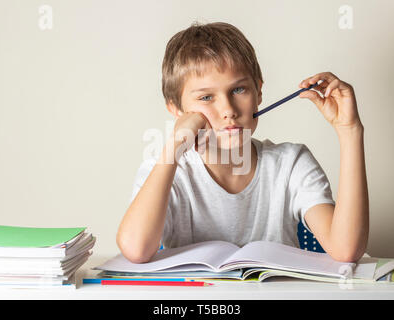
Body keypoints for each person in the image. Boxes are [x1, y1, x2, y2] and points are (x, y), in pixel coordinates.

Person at [116, 21, 369, 264]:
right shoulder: (166, 170)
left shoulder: (291, 164)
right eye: (206, 97)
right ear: (176, 110)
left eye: (238, 90)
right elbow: (136, 249)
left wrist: (349, 131)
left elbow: (346, 249)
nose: (228, 110)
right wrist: (173, 146)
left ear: (258, 91)